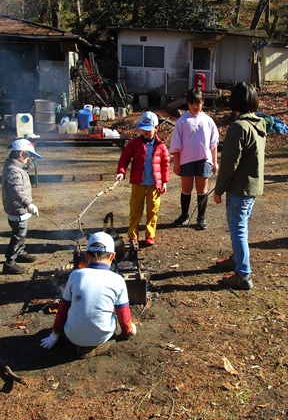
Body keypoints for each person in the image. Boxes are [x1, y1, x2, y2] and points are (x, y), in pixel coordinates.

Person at [39, 232, 137, 357]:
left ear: (87, 255)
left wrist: (54, 335)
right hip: (101, 336)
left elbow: (63, 309)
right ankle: (98, 346)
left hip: (72, 336)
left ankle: (79, 343)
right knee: (115, 319)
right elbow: (123, 314)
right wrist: (129, 330)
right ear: (112, 256)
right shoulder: (118, 280)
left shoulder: (75, 275)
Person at [213, 83, 266, 290]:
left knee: (238, 230)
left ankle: (243, 275)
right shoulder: (259, 123)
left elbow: (229, 162)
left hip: (240, 189)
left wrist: (219, 190)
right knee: (240, 228)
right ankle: (236, 259)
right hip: (252, 187)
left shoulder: (239, 126)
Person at [116, 111, 170, 248]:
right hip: (138, 182)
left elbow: (165, 164)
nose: (144, 133)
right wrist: (121, 172)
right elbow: (125, 157)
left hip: (155, 184)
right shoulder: (134, 144)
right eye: (142, 130)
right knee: (135, 209)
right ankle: (132, 235)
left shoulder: (161, 146)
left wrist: (164, 181)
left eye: (148, 130)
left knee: (153, 209)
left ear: (156, 128)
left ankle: (150, 234)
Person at [170, 88, 219, 230]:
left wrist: (215, 162)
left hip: (204, 160)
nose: (195, 106)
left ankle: (201, 217)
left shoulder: (208, 121)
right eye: (192, 103)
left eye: (198, 103)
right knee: (186, 188)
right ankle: (184, 215)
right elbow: (176, 145)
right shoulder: (182, 121)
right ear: (188, 104)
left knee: (201, 188)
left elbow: (213, 143)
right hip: (186, 160)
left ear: (203, 102)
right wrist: (176, 163)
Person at [1, 138, 41, 274]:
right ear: (21, 153)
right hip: (18, 210)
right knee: (18, 236)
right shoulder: (13, 171)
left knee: (21, 235)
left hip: (21, 210)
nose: (29, 159)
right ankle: (9, 263)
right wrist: (28, 204)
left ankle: (20, 253)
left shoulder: (17, 168)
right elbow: (16, 191)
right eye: (28, 155)